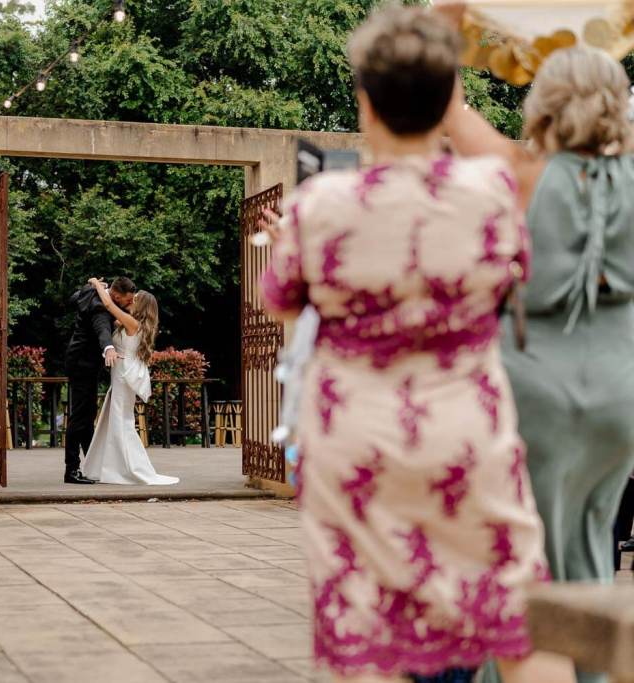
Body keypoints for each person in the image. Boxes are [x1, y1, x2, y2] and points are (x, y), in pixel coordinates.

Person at [260, 6, 573, 682]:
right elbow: (527, 175)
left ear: (365, 102)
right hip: (466, 430)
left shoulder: (318, 206)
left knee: (366, 632)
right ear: (448, 100)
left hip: (355, 441)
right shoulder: (491, 191)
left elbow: (281, 300)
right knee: (519, 621)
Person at [442, 34, 634, 683]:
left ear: (546, 103)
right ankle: (593, 670)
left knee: (525, 552)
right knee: (592, 537)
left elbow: (442, 101)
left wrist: (451, 21)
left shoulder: (523, 171)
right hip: (621, 389)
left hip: (532, 388)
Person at [80, 280, 178, 485]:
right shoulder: (128, 322)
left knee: (121, 422)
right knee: (113, 420)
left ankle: (131, 469)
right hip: (120, 375)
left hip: (124, 376)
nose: (131, 300)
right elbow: (106, 319)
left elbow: (108, 306)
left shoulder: (133, 324)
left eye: (135, 299)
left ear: (140, 305)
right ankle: (108, 467)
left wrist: (97, 284)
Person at [63, 277, 136, 484]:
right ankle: (71, 470)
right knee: (79, 417)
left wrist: (92, 285)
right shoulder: (100, 309)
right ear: (115, 295)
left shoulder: (89, 293)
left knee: (87, 415)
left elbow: (73, 298)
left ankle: (92, 465)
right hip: (82, 365)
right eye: (125, 300)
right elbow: (102, 329)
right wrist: (108, 347)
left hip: (80, 362)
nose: (127, 304)